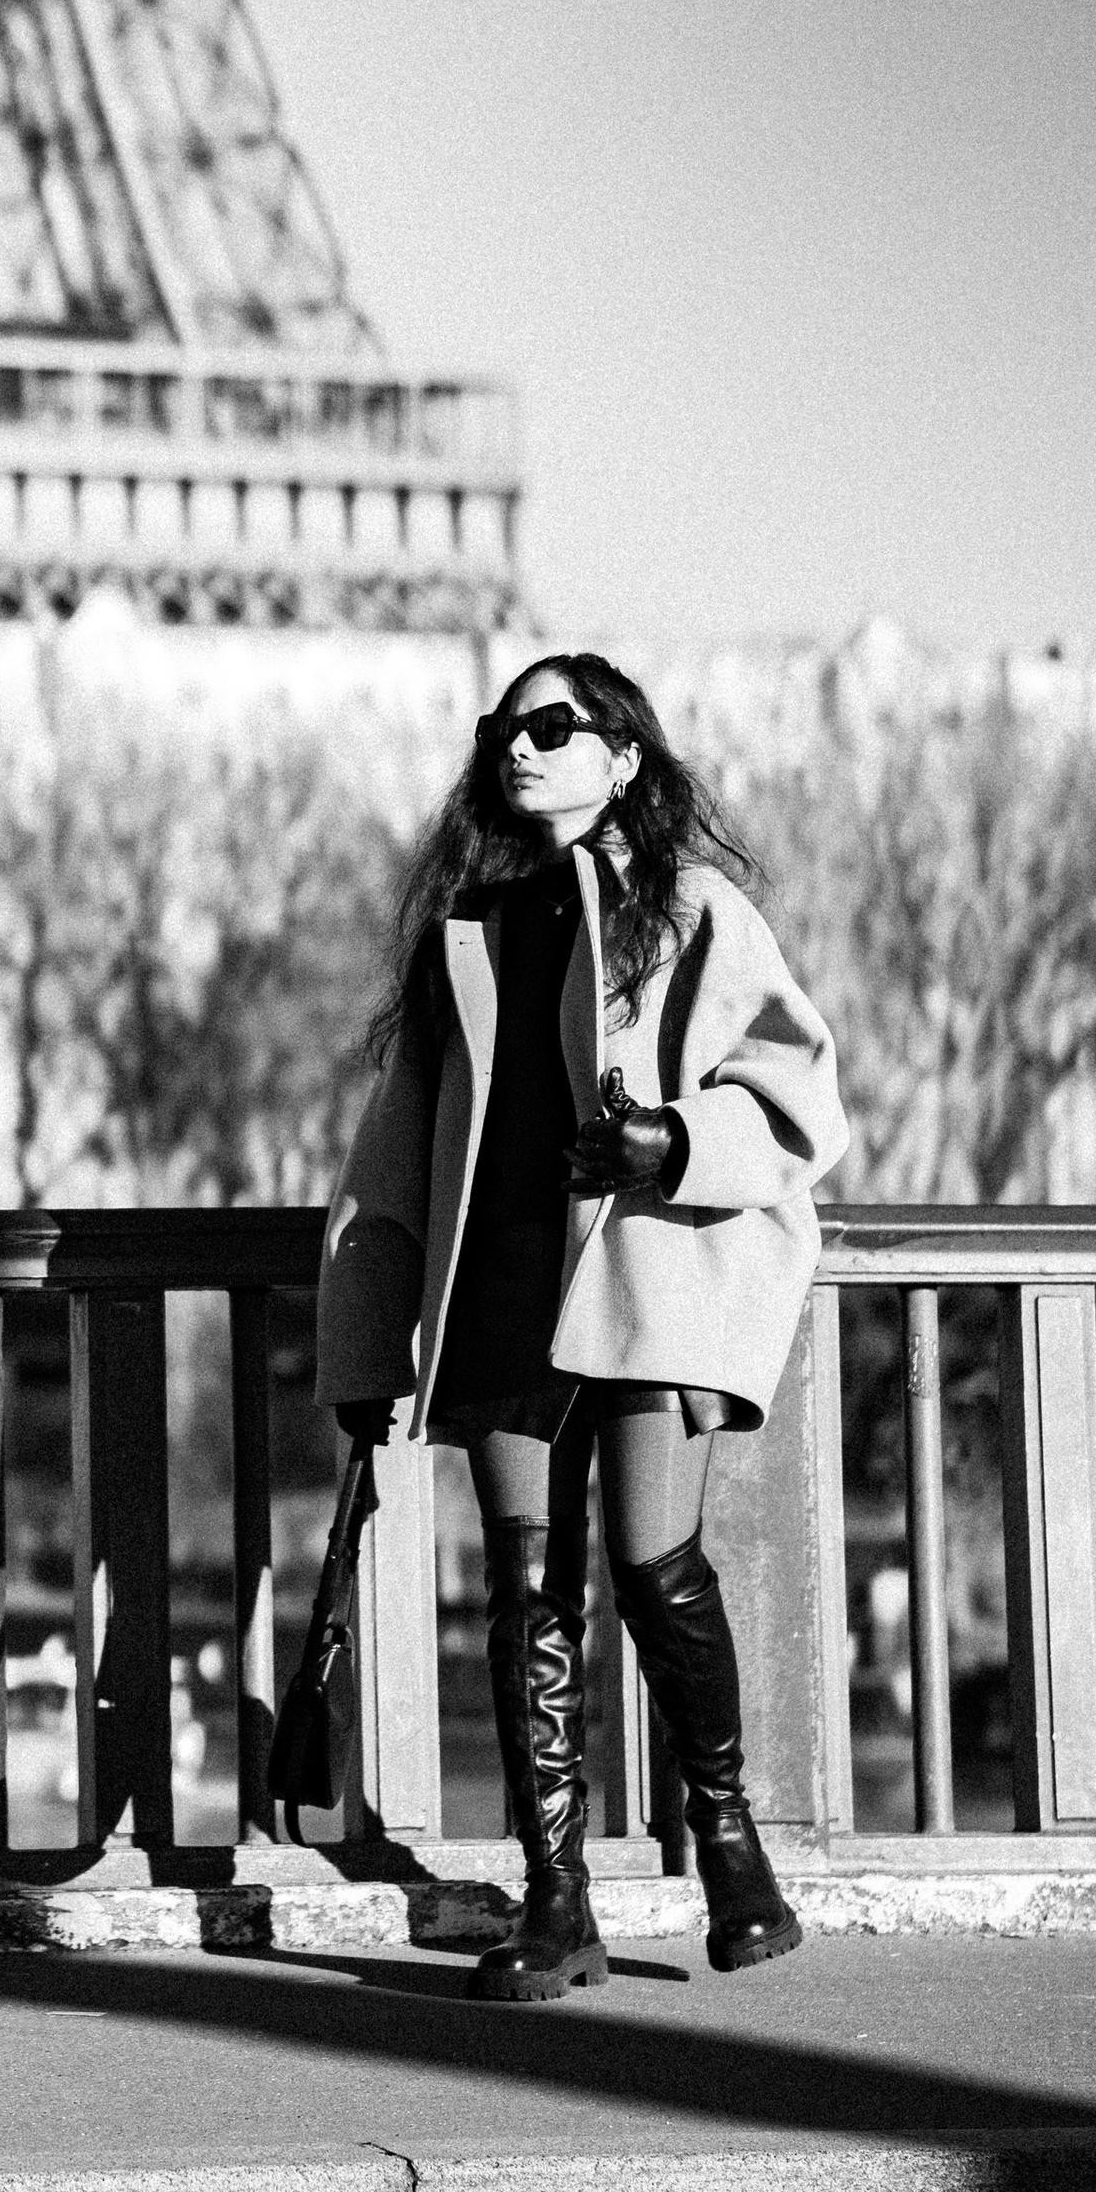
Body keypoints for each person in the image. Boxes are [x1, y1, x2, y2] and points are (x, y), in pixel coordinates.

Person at [317, 653, 848, 2000]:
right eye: (508, 727)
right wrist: (368, 1343)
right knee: (526, 1596)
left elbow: (797, 1100)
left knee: (652, 1563)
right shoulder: (469, 929)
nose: (524, 748)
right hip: (494, 1281)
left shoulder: (692, 912)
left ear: (625, 757)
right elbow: (389, 1163)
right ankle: (558, 1903)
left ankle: (725, 1833)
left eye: (557, 727)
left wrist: (670, 1138)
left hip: (640, 1277)